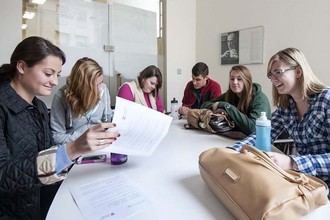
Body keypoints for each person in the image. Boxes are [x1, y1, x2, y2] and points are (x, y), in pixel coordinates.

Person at [0, 36, 119, 219]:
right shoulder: (4, 108)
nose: (55, 81)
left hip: (40, 202)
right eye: (48, 73)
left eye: (57, 74)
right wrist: (72, 149)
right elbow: (4, 177)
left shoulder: (38, 107)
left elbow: (45, 155)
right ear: (22, 67)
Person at [232, 48, 330, 196]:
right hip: (307, 183)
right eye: (270, 75)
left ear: (298, 71)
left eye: (278, 72)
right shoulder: (286, 106)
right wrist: (234, 150)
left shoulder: (326, 100)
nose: (273, 79)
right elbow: (264, 134)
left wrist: (292, 162)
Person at [50, 57, 113, 156]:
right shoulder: (61, 97)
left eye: (101, 82)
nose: (100, 88)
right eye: (96, 85)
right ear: (82, 87)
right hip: (75, 152)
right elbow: (57, 137)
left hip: (101, 148)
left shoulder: (104, 90)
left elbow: (108, 120)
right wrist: (84, 137)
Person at [201, 65, 271, 135]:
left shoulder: (260, 99)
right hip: (234, 137)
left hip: (259, 140)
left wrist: (227, 107)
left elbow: (253, 128)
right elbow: (204, 105)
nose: (234, 82)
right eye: (232, 79)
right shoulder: (230, 94)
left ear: (247, 81)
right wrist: (218, 106)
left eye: (239, 79)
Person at [116, 65, 165, 163]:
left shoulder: (153, 92)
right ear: (143, 78)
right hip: (132, 141)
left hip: (149, 138)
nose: (153, 87)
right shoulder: (127, 88)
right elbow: (123, 118)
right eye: (152, 83)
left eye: (155, 85)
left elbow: (161, 111)